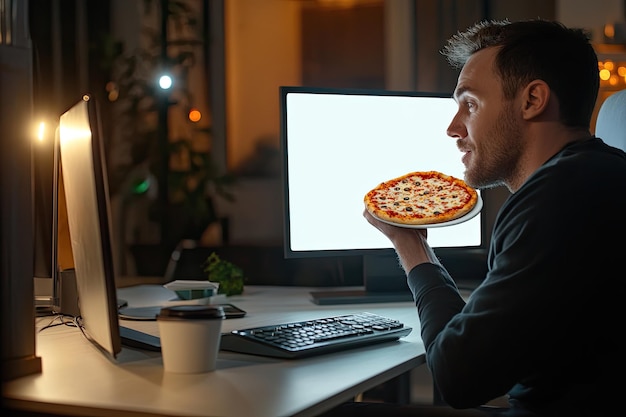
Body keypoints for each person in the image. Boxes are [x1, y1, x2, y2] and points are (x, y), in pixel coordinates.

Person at [321, 19, 626, 417]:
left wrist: (410, 247)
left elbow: (457, 378)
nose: (453, 128)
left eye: (470, 104)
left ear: (532, 100)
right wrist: (412, 243)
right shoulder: (598, 175)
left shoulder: (557, 199)